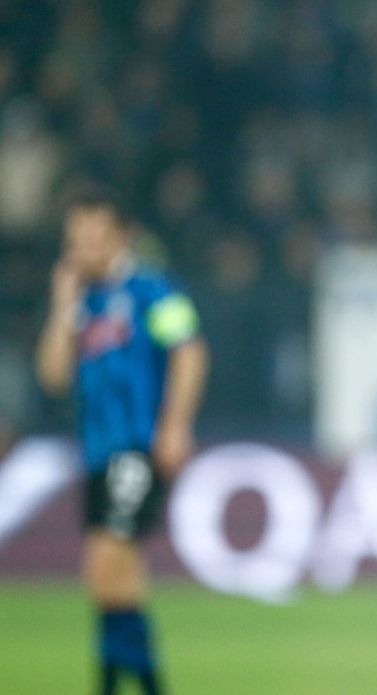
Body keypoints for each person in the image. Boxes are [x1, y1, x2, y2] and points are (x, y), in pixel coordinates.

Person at [36, 188, 208, 695]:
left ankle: (118, 684)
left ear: (120, 237)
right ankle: (139, 681)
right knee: (113, 577)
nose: (84, 248)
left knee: (108, 562)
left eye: (94, 236)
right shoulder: (82, 303)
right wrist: (62, 305)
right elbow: (54, 376)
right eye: (76, 239)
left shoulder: (151, 289)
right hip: (96, 450)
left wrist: (175, 425)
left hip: (137, 443)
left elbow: (189, 351)